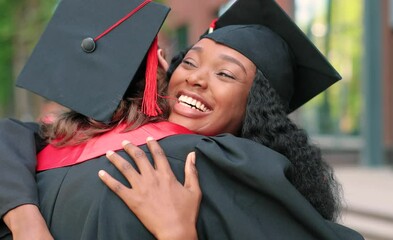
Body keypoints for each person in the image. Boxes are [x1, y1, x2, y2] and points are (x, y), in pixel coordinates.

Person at [0, 0, 364, 239]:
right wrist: (26, 220)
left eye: (226, 75)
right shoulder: (93, 134)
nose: (196, 78)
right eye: (189, 62)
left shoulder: (212, 165)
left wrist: (178, 234)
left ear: (257, 108)